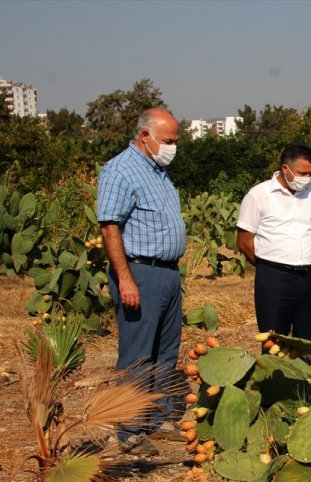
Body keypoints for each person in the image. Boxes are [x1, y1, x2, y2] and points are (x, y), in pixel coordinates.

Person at [97, 107, 186, 456]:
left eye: (176, 141)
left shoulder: (159, 172)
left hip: (167, 273)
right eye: (168, 141)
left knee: (166, 351)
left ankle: (158, 419)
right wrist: (126, 279)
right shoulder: (120, 170)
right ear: (145, 136)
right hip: (140, 272)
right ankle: (130, 430)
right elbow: (109, 227)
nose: (173, 147)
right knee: (137, 355)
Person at [236, 142, 311, 341]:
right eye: (302, 173)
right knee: (273, 342)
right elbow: (244, 241)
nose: (307, 178)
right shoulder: (258, 195)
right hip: (275, 280)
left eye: (310, 174)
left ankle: (305, 373)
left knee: (308, 343)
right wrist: (270, 267)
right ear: (285, 168)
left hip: (309, 277)